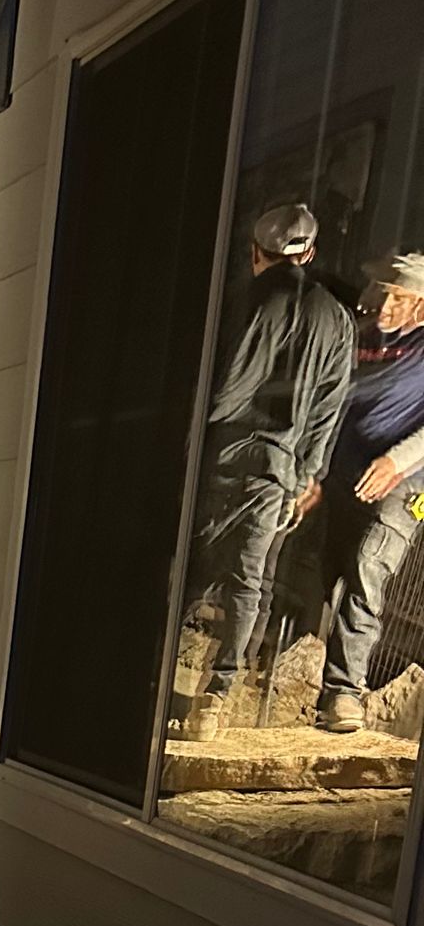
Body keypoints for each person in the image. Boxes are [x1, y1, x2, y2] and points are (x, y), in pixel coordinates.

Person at [184, 202, 354, 736]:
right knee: (249, 581)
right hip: (279, 472)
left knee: (186, 565)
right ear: (311, 251)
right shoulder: (338, 320)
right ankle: (216, 698)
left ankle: (148, 671)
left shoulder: (243, 300)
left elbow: (218, 384)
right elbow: (329, 409)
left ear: (257, 253)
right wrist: (307, 476)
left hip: (218, 457)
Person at [315, 250, 424, 731]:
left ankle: (345, 693)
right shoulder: (365, 333)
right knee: (331, 568)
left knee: (367, 569)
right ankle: (309, 672)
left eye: (398, 299)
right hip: (345, 470)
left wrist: (394, 461)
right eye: (381, 294)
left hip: (407, 482)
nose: (384, 306)